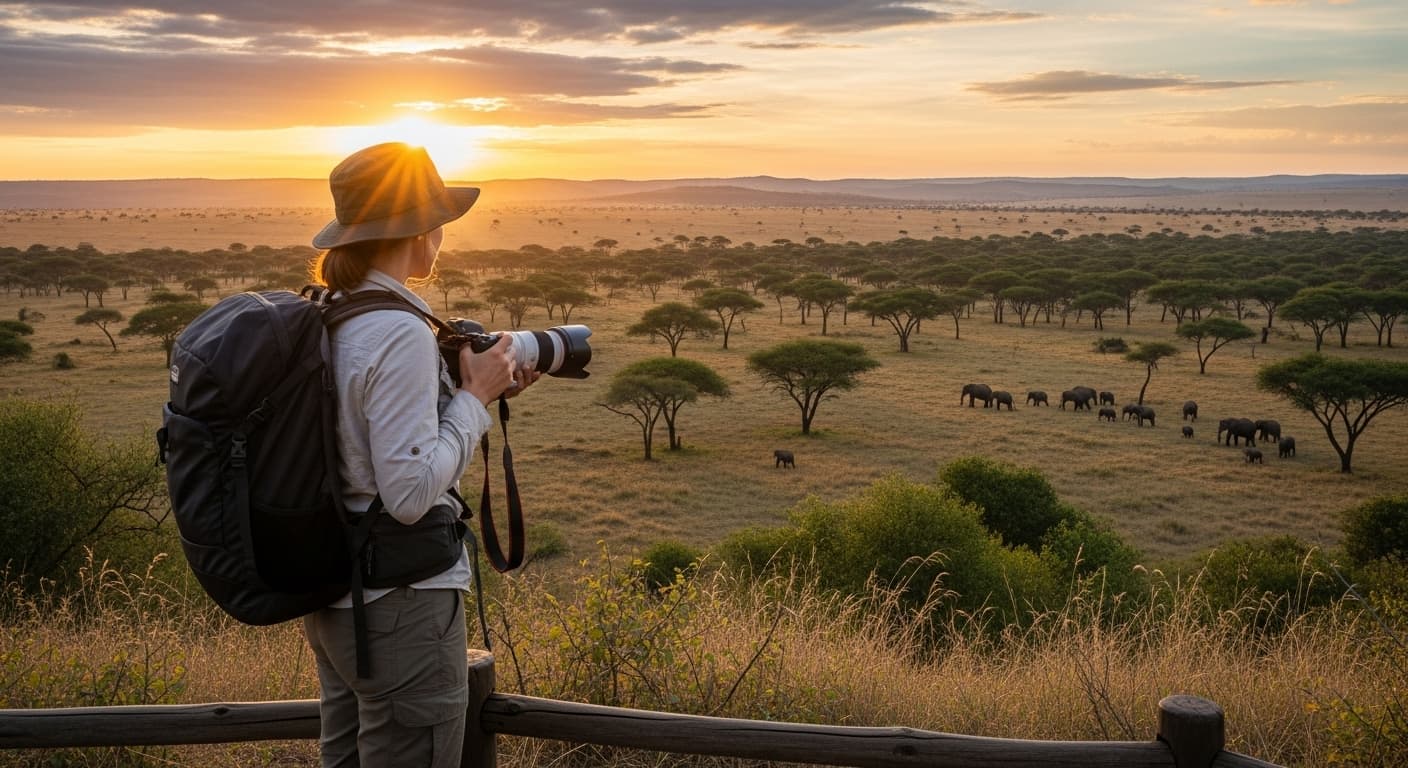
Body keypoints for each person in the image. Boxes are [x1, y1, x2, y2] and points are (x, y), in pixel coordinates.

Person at [304, 142, 539, 767]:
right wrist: (474, 397)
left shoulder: (331, 312)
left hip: (338, 596)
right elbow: (408, 496)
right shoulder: (397, 329)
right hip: (401, 603)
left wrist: (457, 391)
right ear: (421, 233)